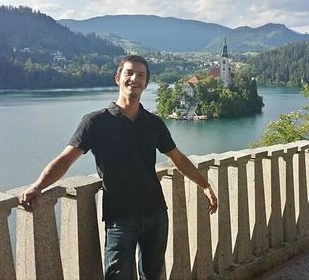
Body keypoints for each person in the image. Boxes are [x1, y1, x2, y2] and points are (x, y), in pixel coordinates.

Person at [18, 55, 218, 280]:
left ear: (146, 83)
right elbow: (65, 160)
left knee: (152, 276)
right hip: (120, 218)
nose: (134, 78)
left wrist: (205, 185)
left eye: (140, 75)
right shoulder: (95, 122)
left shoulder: (153, 123)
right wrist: (38, 186)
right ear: (118, 78)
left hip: (156, 214)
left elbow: (178, 159)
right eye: (129, 73)